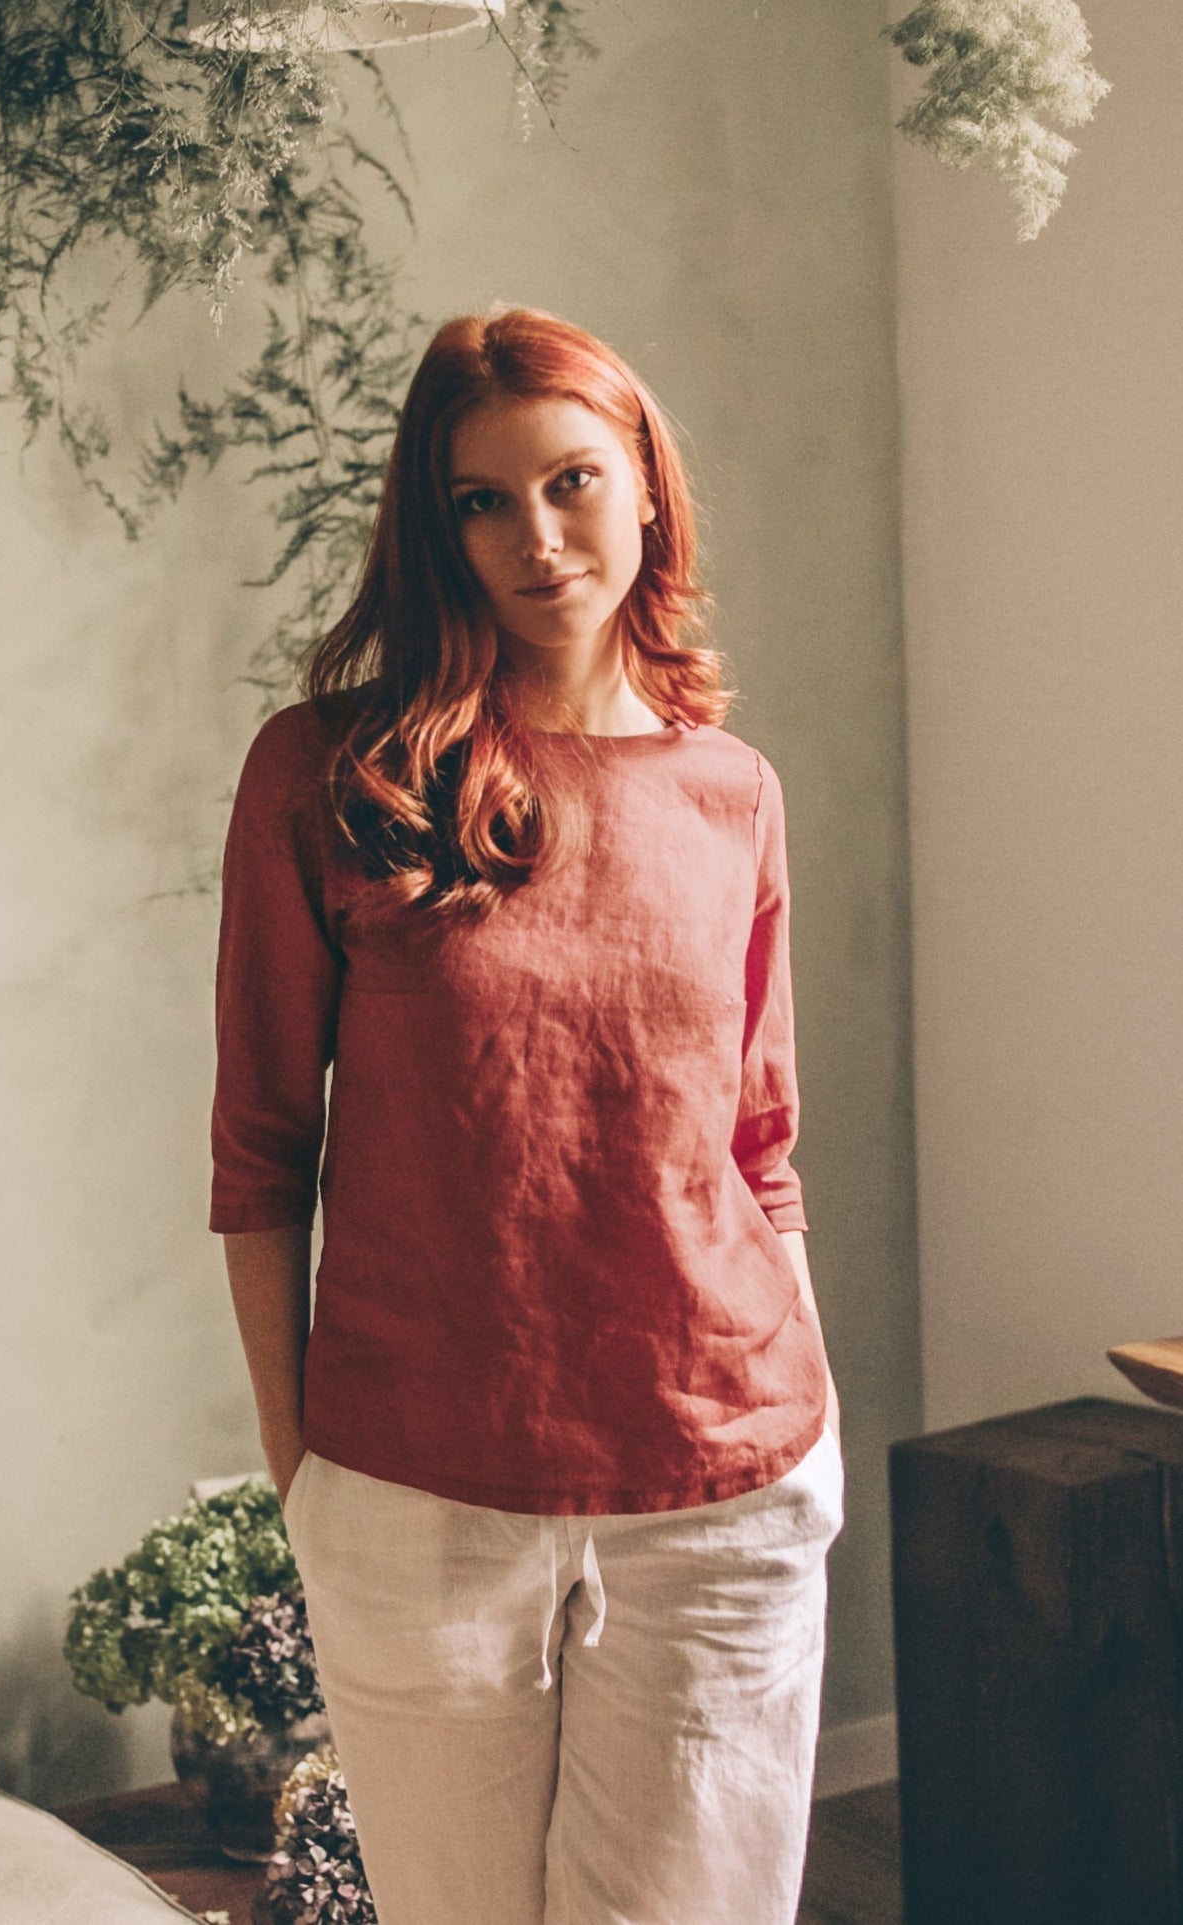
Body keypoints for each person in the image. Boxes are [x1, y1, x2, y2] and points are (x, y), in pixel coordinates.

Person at [210, 303, 844, 1925]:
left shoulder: (731, 792)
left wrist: (808, 1415)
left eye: (570, 480)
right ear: (431, 526)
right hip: (417, 1500)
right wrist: (307, 1471)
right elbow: (261, 1149)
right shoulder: (327, 776)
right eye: (478, 500)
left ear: (644, 485)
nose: (535, 537)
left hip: (717, 1489)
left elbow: (758, 1144)